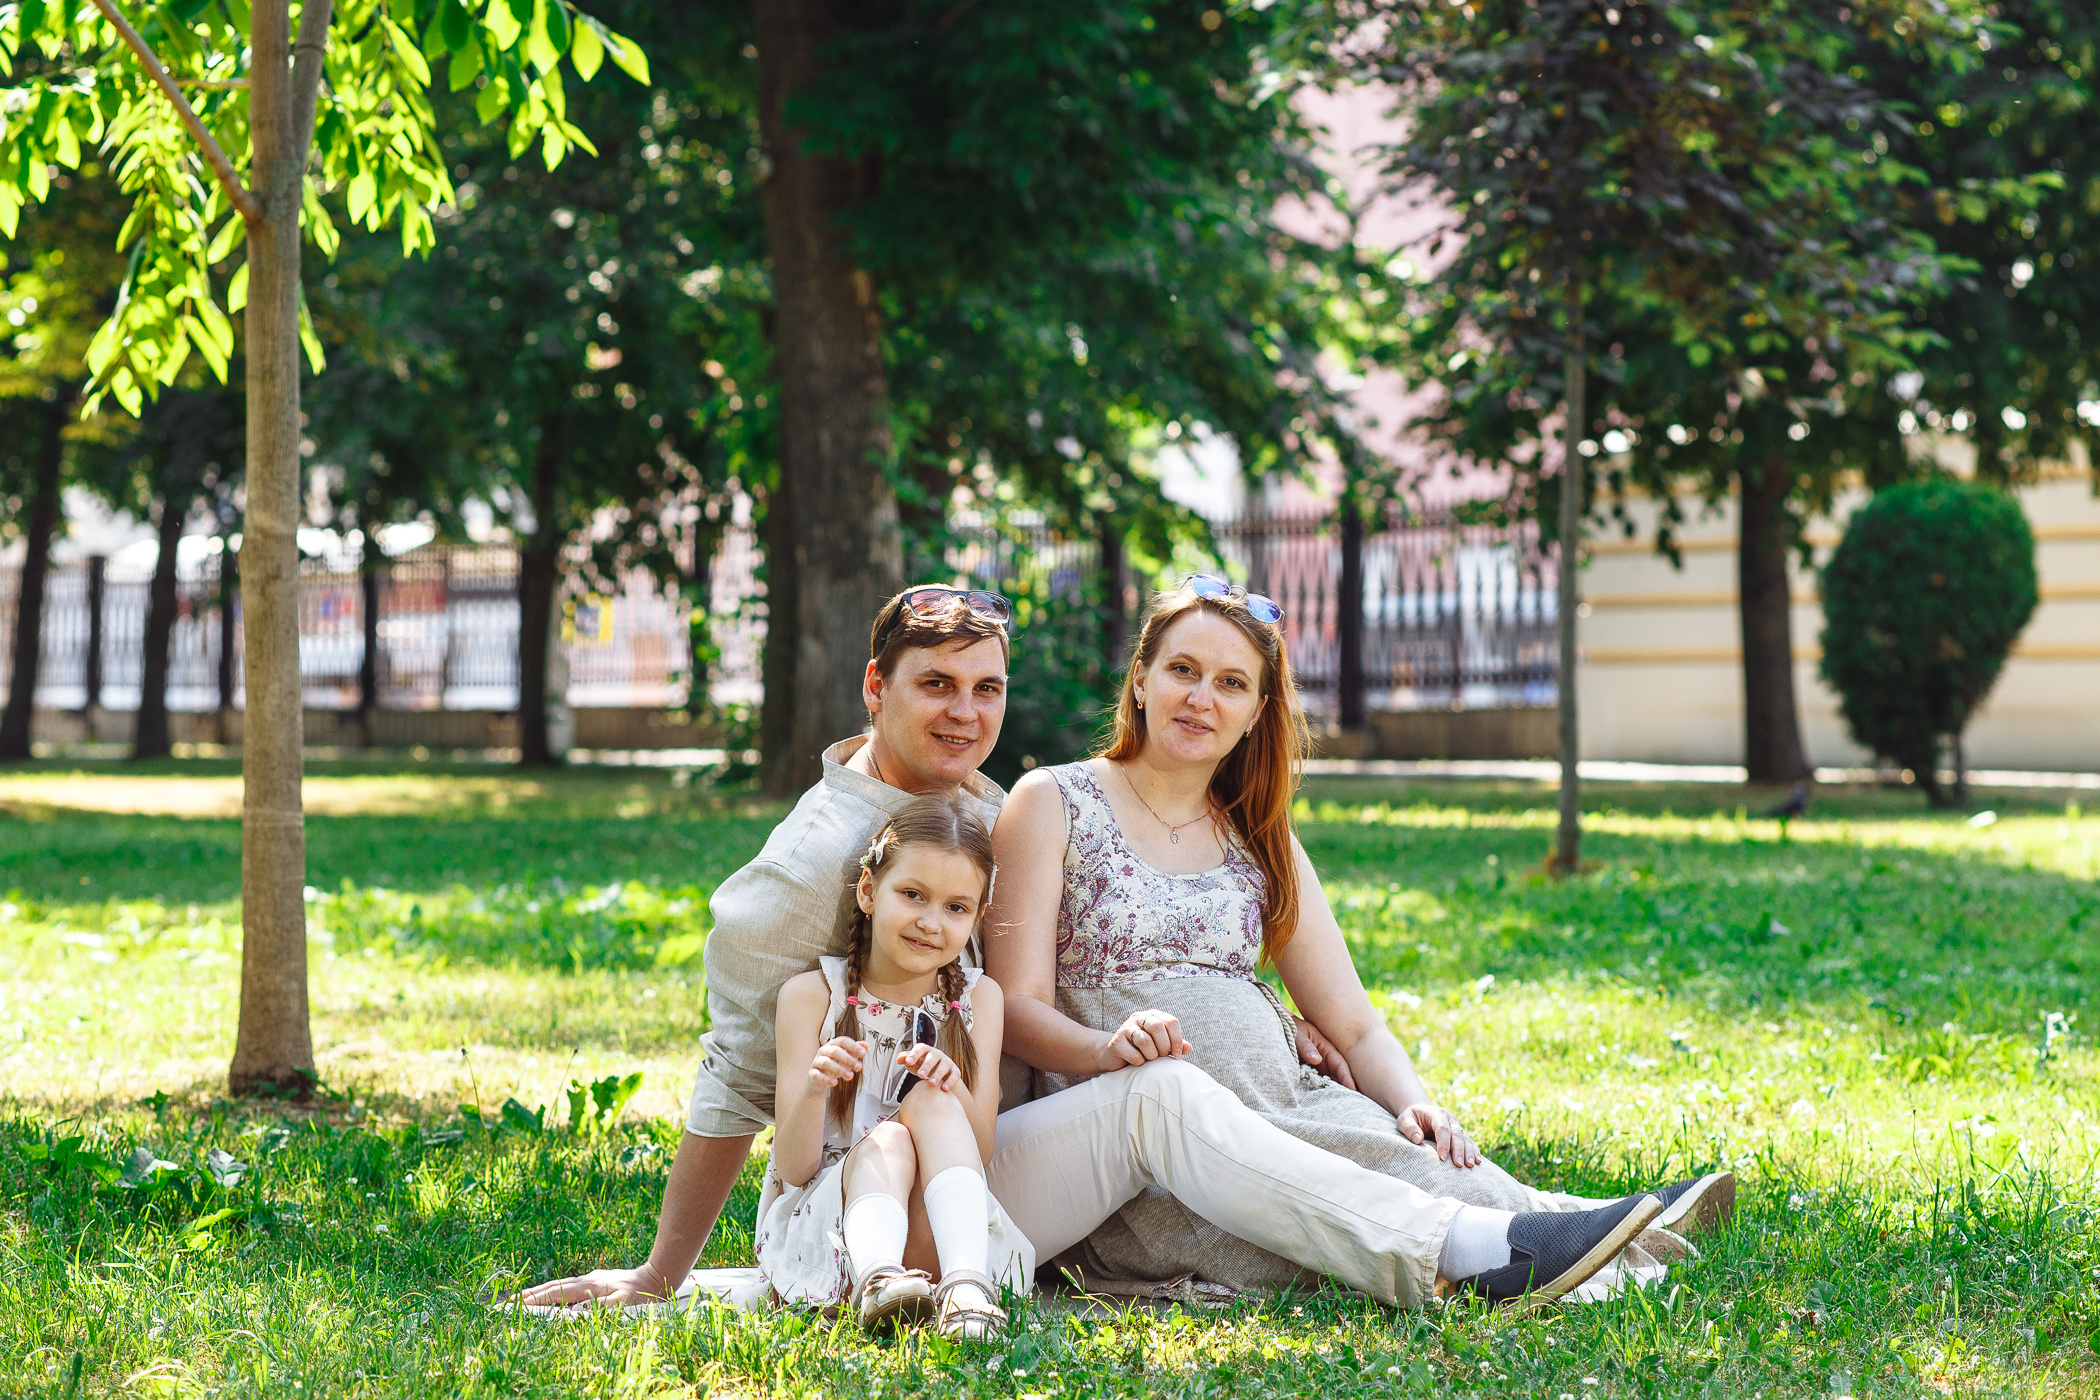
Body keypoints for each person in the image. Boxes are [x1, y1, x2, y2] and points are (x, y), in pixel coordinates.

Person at [985, 574, 1734, 1296]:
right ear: (1141, 680)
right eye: (1183, 670)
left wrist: (1415, 1102)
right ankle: (1601, 1235)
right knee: (1362, 1204)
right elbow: (1015, 1010)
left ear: (1256, 712)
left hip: (1290, 1100)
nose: (1200, 698)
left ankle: (1587, 1223)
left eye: (1231, 683)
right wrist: (1109, 1048)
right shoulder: (1055, 800)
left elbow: (1354, 1024)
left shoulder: (1258, 836)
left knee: (1417, 1160)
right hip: (1161, 1154)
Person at [764, 797, 1025, 1338]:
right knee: (890, 1141)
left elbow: (979, 1154)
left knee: (932, 1099)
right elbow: (792, 1168)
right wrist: (814, 1090)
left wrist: (952, 1085)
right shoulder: (812, 998)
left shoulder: (980, 1000)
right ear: (868, 891)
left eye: (956, 907)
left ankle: (967, 1288)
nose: (930, 922)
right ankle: (878, 1282)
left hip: (939, 1236)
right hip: (833, 1237)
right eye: (912, 895)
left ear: (977, 918)